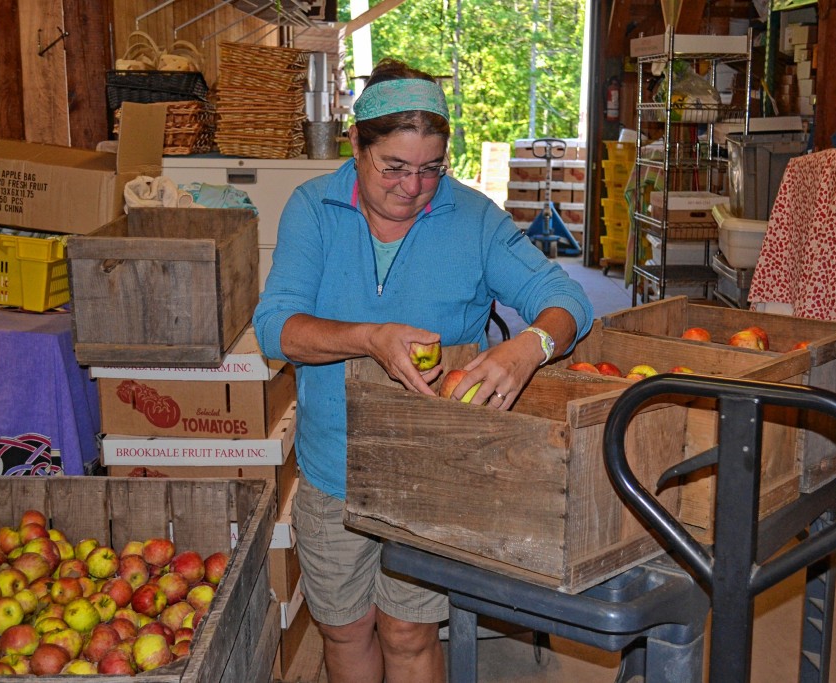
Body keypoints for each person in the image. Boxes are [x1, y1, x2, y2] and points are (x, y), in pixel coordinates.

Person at [253, 57, 594, 683]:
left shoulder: (474, 220)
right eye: (395, 168)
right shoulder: (313, 209)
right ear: (356, 144)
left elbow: (569, 299)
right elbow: (278, 327)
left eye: (431, 170)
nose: (412, 187)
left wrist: (529, 347)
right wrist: (368, 338)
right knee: (344, 630)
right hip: (336, 471)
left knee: (409, 632)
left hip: (434, 475)